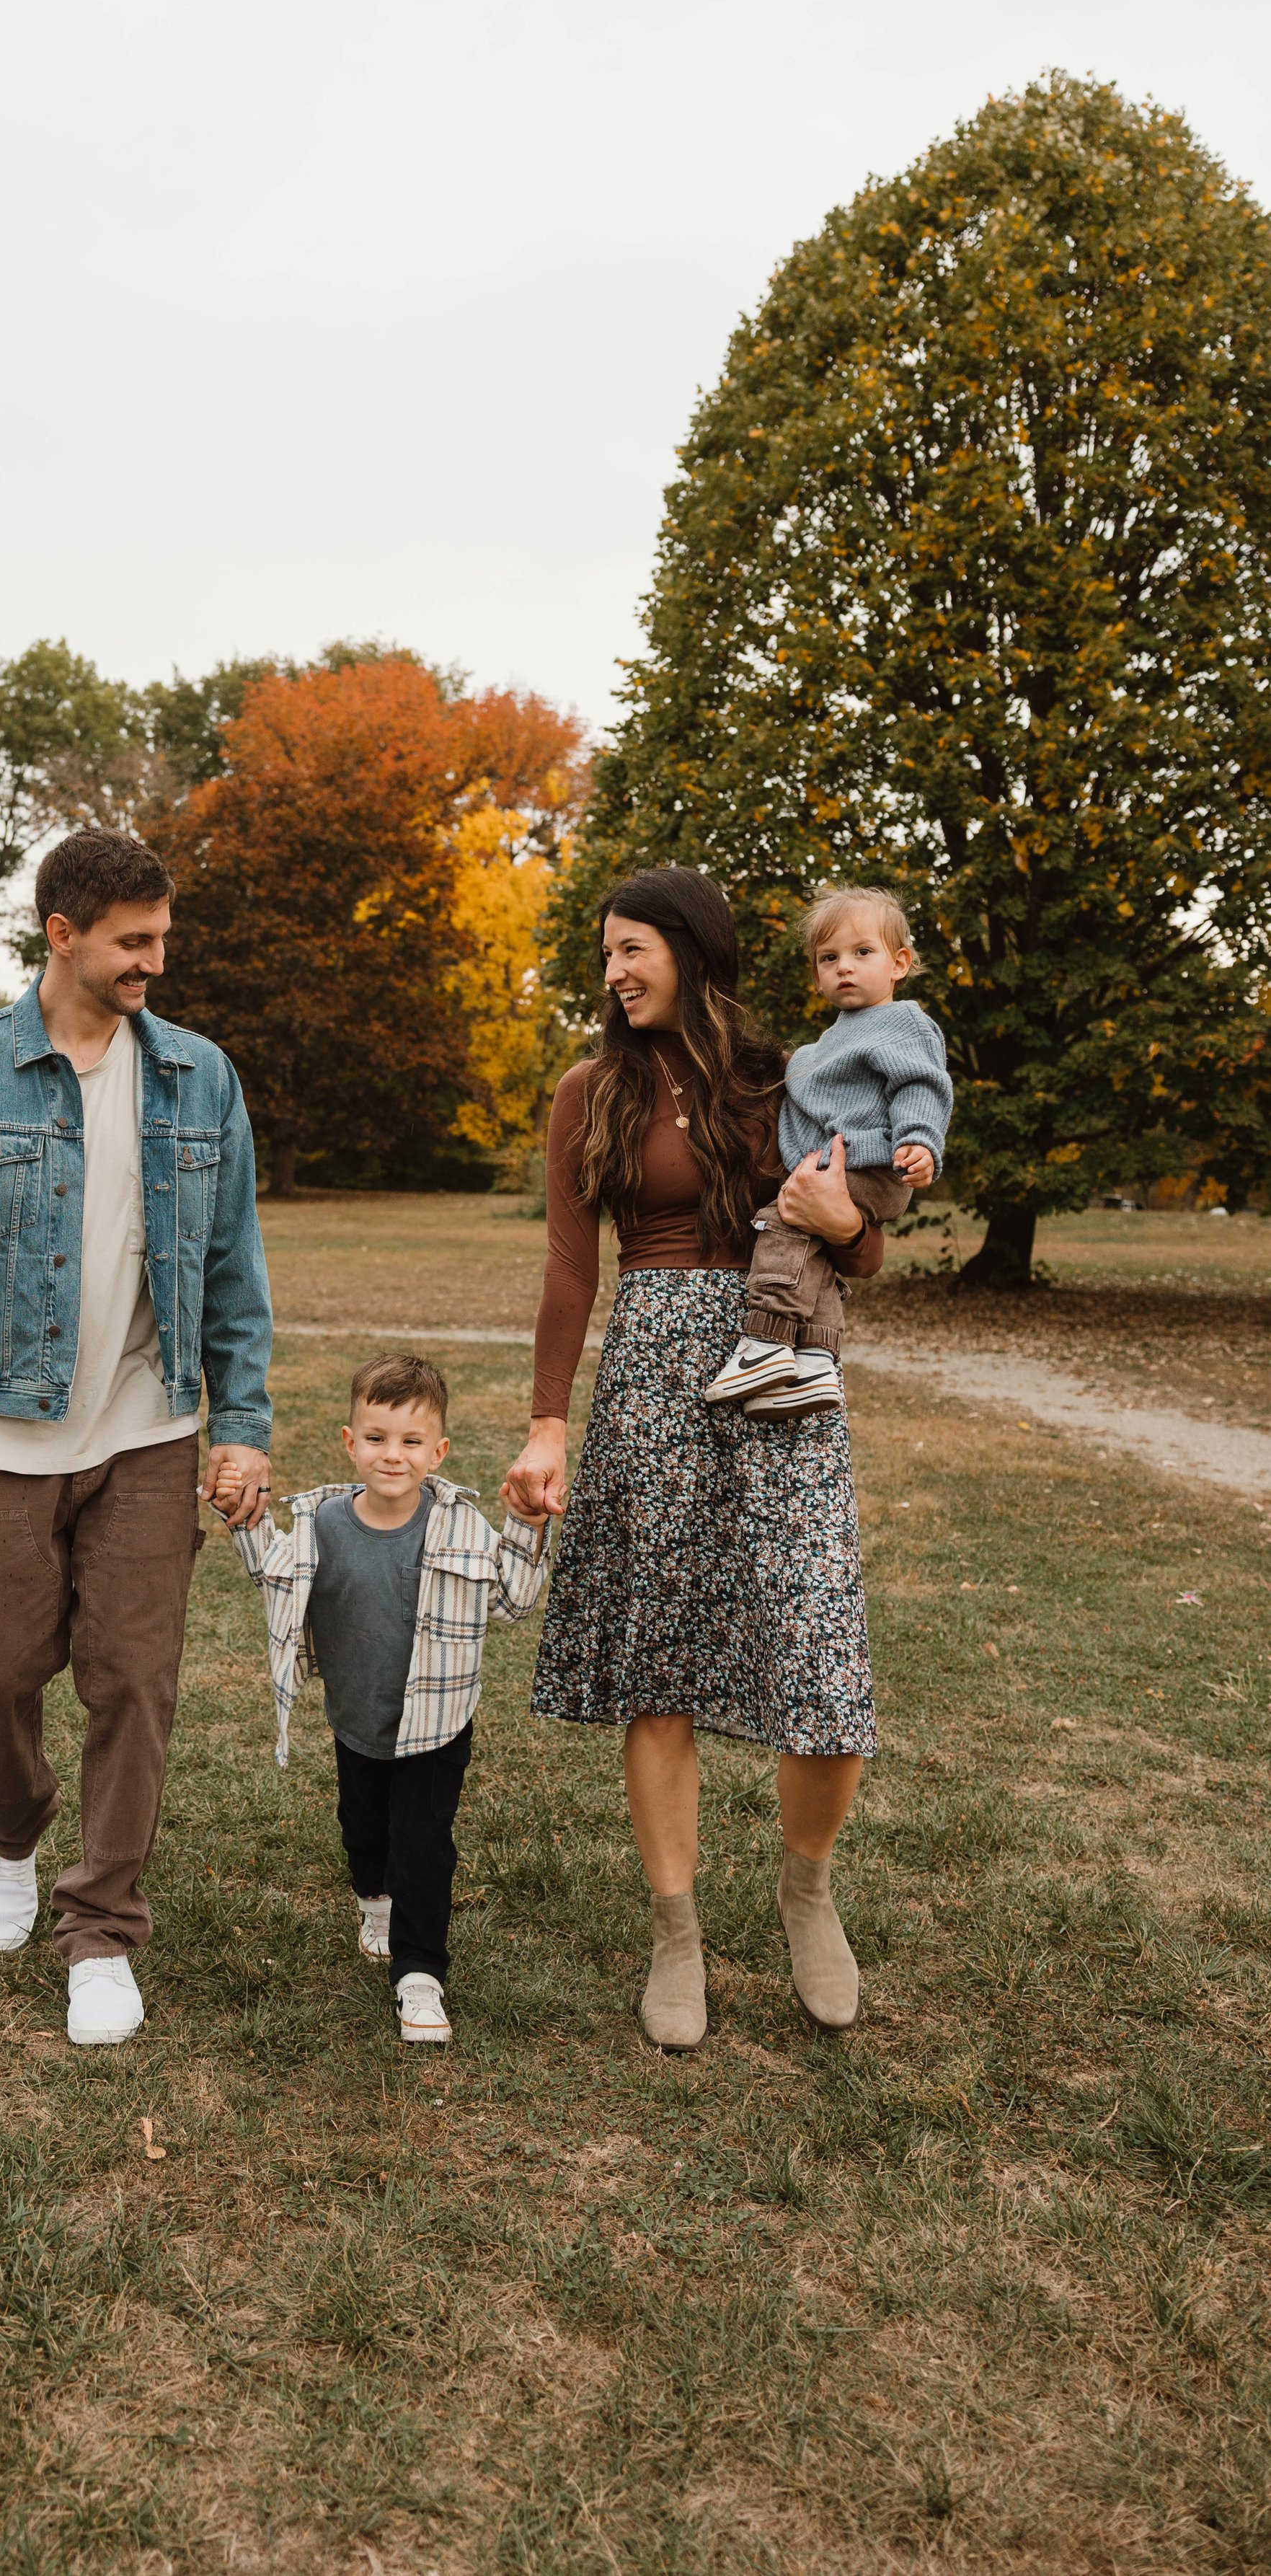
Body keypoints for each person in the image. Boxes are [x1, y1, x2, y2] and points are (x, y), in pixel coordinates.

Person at [0, 827, 273, 2048]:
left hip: (150, 1429)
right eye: (134, 941)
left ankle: (101, 1927)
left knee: (133, 1683)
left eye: (164, 938)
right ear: (64, 936)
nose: (157, 960)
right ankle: (11, 1829)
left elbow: (232, 1263)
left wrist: (242, 1420)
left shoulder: (199, 1077)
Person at [501, 866, 883, 2054]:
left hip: (778, 1375)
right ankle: (678, 1933)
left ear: (692, 950)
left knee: (821, 1664)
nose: (614, 972)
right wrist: (548, 1421)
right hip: (653, 1382)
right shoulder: (589, 1090)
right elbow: (573, 1269)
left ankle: (806, 1894)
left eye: (633, 950)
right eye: (606, 955)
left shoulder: (794, 1075)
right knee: (658, 1666)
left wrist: (847, 1224)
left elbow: (861, 1253)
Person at [214, 1354, 549, 2048]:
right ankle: (374, 1904)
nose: (392, 1455)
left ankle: (420, 1972)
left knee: (424, 1844)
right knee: (366, 1831)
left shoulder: (459, 1527)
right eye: (376, 1438)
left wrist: (525, 1523)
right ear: (349, 1442)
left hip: (437, 1723)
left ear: (439, 1452)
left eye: (410, 1442)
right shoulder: (324, 1524)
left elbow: (514, 1601)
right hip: (357, 1719)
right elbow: (273, 1579)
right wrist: (244, 1519)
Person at [704, 887, 952, 1416]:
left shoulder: (902, 1022)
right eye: (829, 958)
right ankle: (816, 1359)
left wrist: (919, 1140)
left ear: (899, 964)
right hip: (842, 1167)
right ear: (816, 975)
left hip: (871, 1165)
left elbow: (921, 1085)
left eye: (863, 952)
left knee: (785, 1221)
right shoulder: (823, 1047)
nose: (845, 967)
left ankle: (766, 1342)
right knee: (814, 1247)